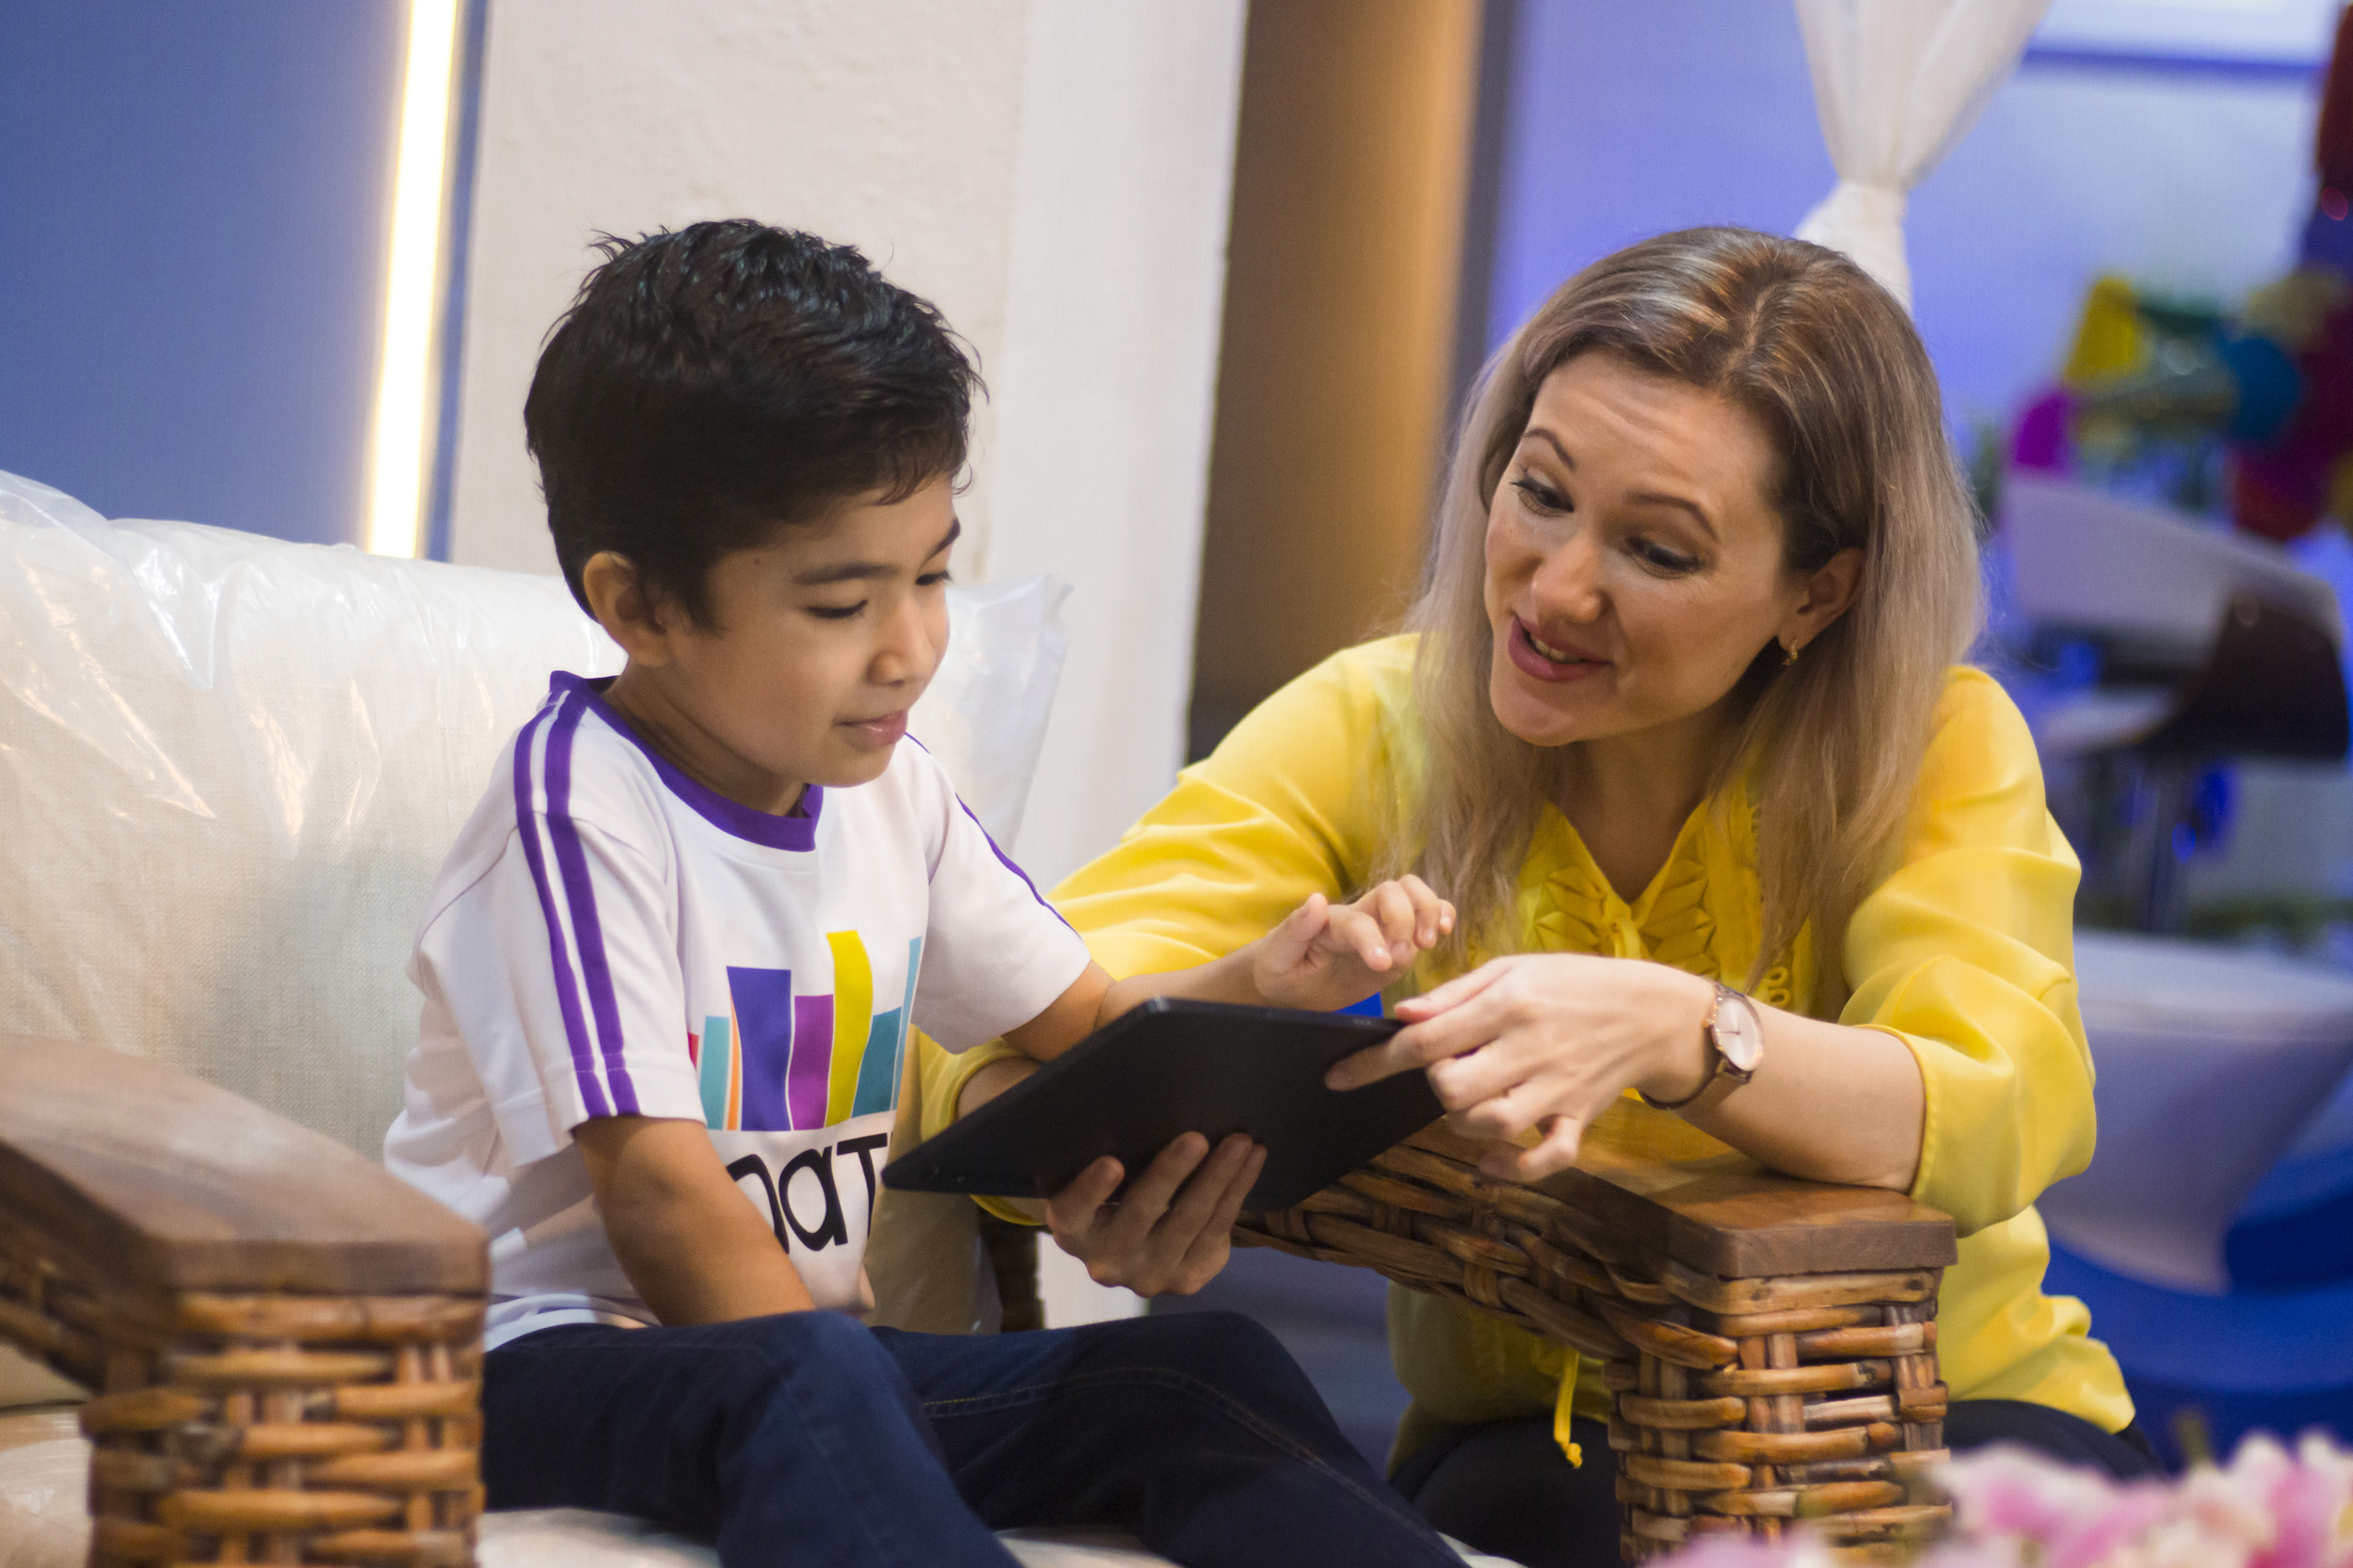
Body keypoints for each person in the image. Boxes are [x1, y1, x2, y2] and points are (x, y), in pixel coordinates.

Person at [936, 227, 2161, 1567]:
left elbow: (2002, 1103)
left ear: (1819, 592)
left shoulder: (1933, 742)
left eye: (1659, 550)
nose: (1557, 588)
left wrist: (1683, 1029)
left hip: (1951, 1421)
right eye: (1540, 492)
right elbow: (985, 1032)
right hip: (1548, 1450)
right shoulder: (1373, 725)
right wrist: (1218, 1024)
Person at [381, 220, 1472, 1568]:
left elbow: (1089, 1026)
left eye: (933, 574)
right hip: (517, 1373)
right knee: (816, 1374)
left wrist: (1264, 985)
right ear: (640, 607)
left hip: (798, 1369)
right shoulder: (576, 805)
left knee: (1195, 1371)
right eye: (843, 605)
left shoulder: (891, 791)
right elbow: (656, 1191)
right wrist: (857, 1395)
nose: (911, 649)